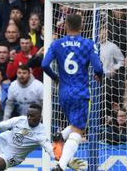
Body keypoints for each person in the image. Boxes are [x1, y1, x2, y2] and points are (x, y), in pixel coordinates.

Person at [41, 14, 103, 171]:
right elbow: (98, 68)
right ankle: (61, 166)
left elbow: (44, 64)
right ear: (81, 25)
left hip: (63, 92)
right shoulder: (88, 43)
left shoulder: (56, 44)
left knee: (75, 124)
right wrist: (99, 76)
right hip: (81, 91)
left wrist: (55, 78)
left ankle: (60, 136)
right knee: (78, 131)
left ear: (66, 26)